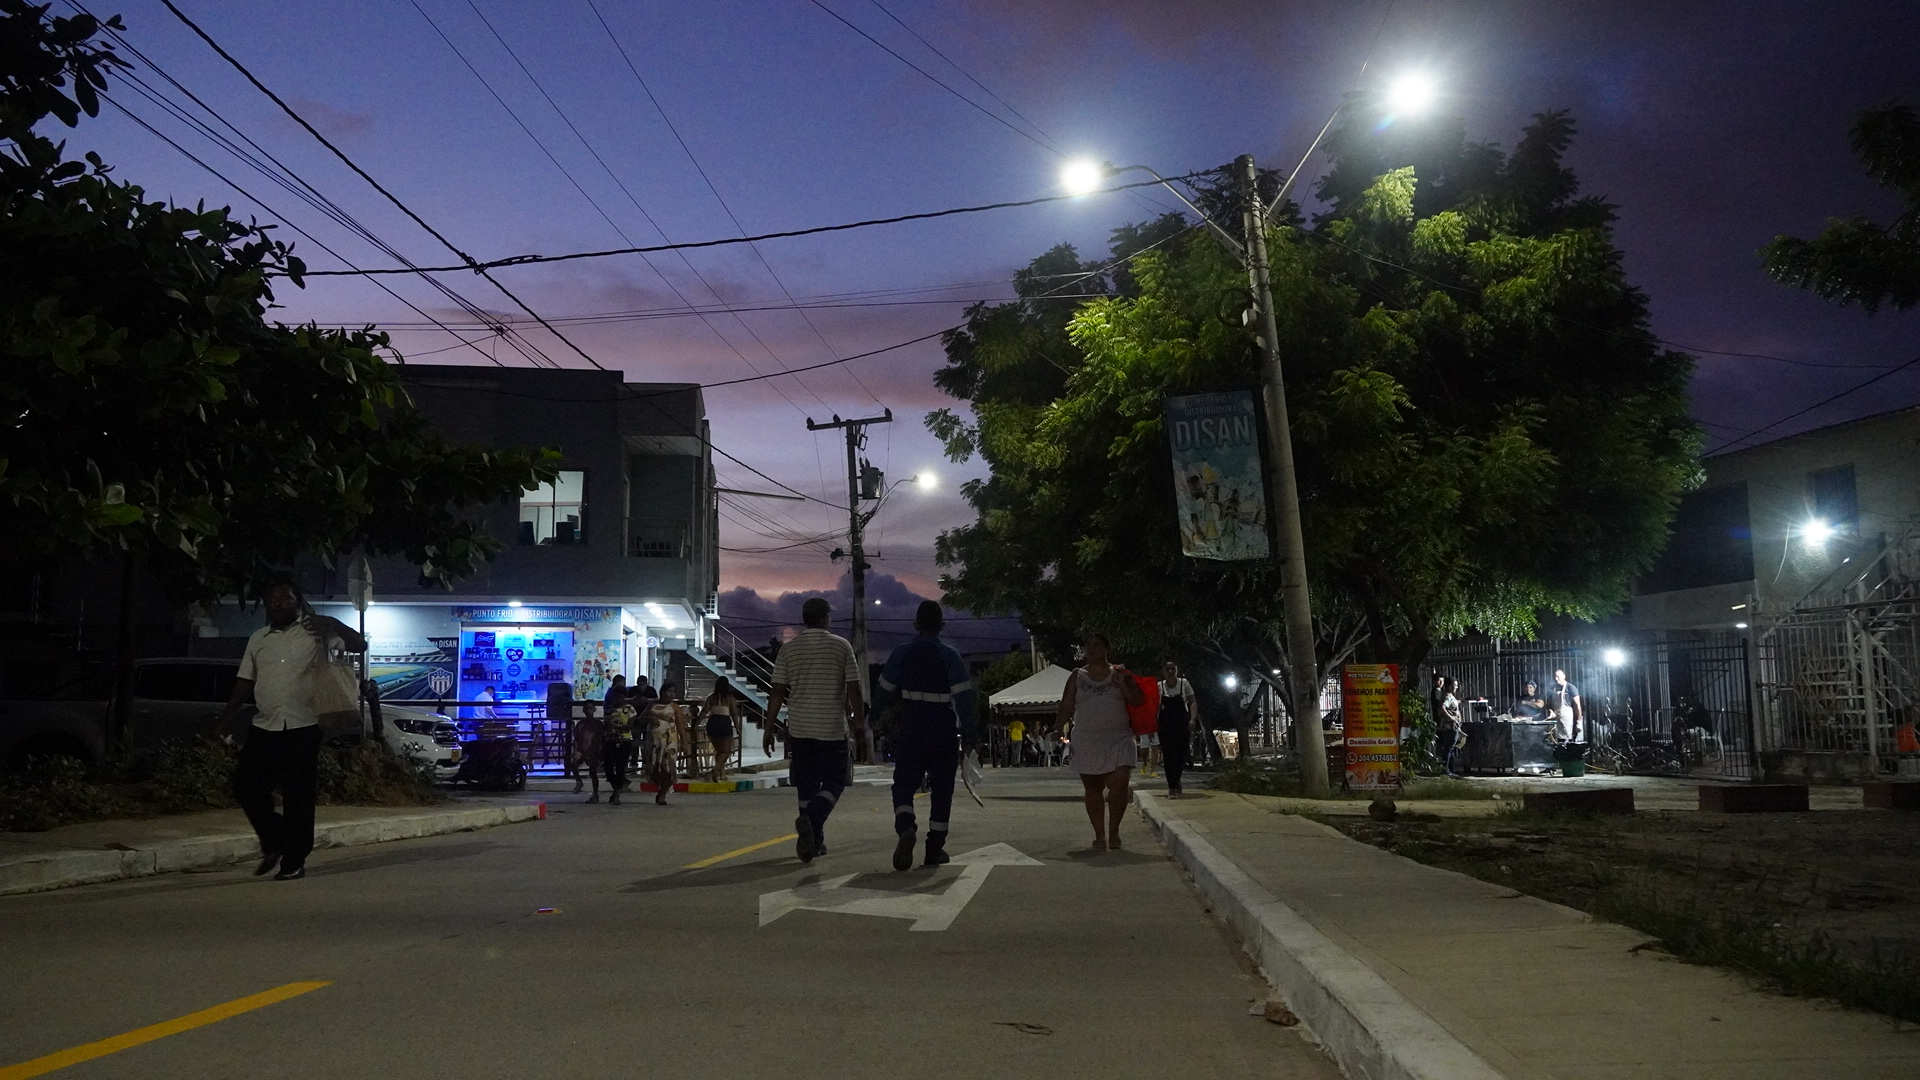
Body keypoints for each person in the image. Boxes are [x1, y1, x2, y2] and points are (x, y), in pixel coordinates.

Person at [216, 576, 367, 882]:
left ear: (297, 600)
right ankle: (276, 839)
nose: (279, 604)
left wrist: (334, 623)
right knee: (246, 786)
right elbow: (245, 679)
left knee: (298, 795)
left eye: (285, 598)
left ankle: (294, 860)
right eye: (273, 600)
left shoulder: (316, 630)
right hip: (265, 724)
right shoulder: (259, 638)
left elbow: (358, 646)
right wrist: (226, 719)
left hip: (304, 724)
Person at [871, 601, 977, 871]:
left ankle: (906, 826)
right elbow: (965, 698)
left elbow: (883, 690)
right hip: (942, 730)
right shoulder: (950, 656)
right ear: (941, 626)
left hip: (912, 727)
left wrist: (874, 718)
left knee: (903, 784)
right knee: (942, 790)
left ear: (915, 625)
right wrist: (971, 735)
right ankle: (934, 849)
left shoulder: (902, 653)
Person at [762, 597, 865, 863]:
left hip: (800, 728)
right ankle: (812, 820)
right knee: (834, 782)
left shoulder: (789, 649)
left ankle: (815, 842)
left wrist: (769, 727)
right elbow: (854, 689)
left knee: (806, 786)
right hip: (831, 728)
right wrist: (859, 726)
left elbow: (777, 692)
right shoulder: (841, 647)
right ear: (825, 618)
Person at [1055, 632, 1144, 851]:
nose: (1092, 649)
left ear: (1107, 649)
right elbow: (1066, 705)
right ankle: (1099, 835)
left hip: (1120, 738)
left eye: (1097, 645)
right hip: (1087, 740)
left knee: (1119, 785)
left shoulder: (1120, 673)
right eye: (1088, 646)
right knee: (1093, 789)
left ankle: (1114, 832)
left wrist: (1123, 684)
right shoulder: (1077, 676)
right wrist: (1057, 727)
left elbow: (1138, 700)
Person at [1158, 661, 1198, 798]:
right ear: (1164, 671)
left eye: (1173, 669)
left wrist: (1192, 719)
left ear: (1177, 670)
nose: (1170, 671)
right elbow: (1153, 706)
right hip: (1165, 725)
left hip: (1181, 723)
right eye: (1167, 669)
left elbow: (1192, 701)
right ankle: (1172, 787)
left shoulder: (1184, 684)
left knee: (1181, 754)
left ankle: (1176, 779)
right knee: (1169, 756)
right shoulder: (1160, 686)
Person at [647, 682, 692, 804]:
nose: (672, 694)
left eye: (674, 692)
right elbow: (641, 718)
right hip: (655, 740)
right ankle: (659, 786)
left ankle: (662, 793)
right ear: (662, 692)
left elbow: (680, 725)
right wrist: (649, 718)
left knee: (667, 767)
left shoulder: (675, 707)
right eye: (669, 691)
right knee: (655, 767)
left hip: (669, 740)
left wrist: (684, 741)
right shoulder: (653, 704)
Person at [702, 679, 741, 783]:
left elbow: (705, 710)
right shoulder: (729, 698)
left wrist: (696, 723)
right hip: (724, 723)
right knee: (725, 751)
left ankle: (721, 774)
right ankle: (715, 770)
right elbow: (734, 713)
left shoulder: (711, 697)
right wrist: (737, 727)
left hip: (712, 723)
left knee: (719, 751)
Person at [602, 699, 637, 805]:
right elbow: (606, 723)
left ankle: (617, 792)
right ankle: (616, 788)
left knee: (620, 766)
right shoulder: (609, 709)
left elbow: (631, 725)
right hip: (611, 739)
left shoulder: (629, 709)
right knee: (608, 766)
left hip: (624, 739)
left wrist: (618, 726)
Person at [569, 701, 605, 801]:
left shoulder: (598, 724)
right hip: (581, 749)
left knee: (593, 772)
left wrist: (601, 752)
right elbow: (576, 739)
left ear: (594, 710)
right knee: (573, 764)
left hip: (593, 750)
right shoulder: (580, 724)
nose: (588, 711)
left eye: (590, 708)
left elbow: (602, 739)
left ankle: (595, 794)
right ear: (583, 710)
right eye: (586, 709)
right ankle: (579, 781)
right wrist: (575, 750)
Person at [1437, 678, 1466, 778]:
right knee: (1448, 748)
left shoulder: (1450, 696)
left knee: (1450, 748)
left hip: (1453, 726)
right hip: (1449, 727)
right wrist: (1452, 718)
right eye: (1455, 685)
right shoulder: (1447, 697)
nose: (1456, 687)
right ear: (1450, 686)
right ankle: (1445, 770)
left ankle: (1449, 769)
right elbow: (1442, 708)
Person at [1550, 669, 1584, 742]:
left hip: (1566, 718)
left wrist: (1579, 722)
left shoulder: (1571, 687)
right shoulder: (1553, 688)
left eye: (1558, 676)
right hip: (1556, 718)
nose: (1556, 679)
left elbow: (1578, 705)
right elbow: (1548, 704)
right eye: (1555, 677)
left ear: (1564, 676)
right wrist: (1551, 711)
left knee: (1566, 739)